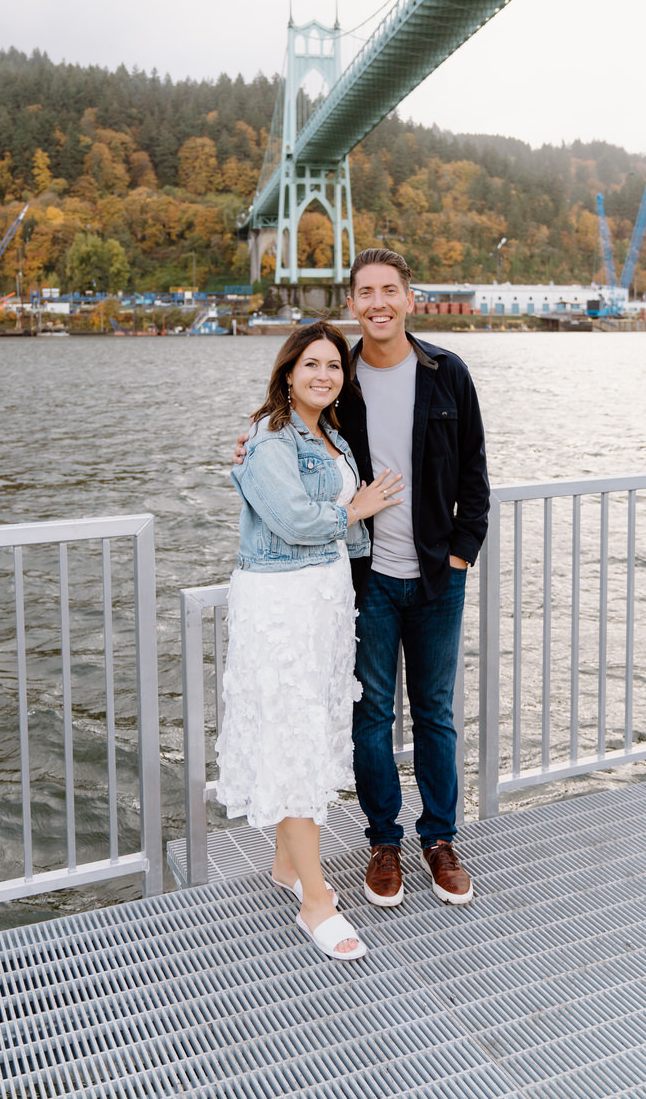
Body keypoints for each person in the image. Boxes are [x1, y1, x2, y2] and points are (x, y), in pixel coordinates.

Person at [216, 319, 403, 962]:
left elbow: (335, 532)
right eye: (311, 365)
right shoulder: (271, 438)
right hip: (282, 603)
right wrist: (357, 508)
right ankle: (315, 901)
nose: (324, 375)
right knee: (292, 740)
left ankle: (284, 864)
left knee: (311, 728)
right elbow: (296, 522)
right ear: (288, 372)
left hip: (324, 601)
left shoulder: (331, 437)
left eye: (333, 365)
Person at [339, 248, 490, 908]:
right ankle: (382, 842)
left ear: (408, 297)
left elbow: (475, 475)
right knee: (371, 714)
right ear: (352, 303)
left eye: (389, 290)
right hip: (364, 580)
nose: (378, 303)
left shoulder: (447, 373)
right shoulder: (334, 377)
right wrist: (248, 443)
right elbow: (285, 429)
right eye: (365, 292)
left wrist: (460, 553)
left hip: (435, 578)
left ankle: (439, 839)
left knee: (433, 713)